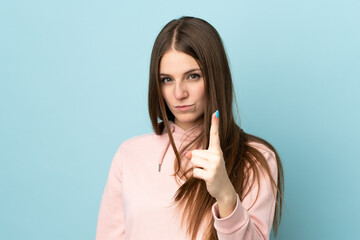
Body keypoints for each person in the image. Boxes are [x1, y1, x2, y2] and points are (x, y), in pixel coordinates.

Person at [96, 16, 284, 240]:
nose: (179, 93)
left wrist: (225, 195)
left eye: (193, 76)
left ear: (215, 76)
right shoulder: (129, 155)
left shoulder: (256, 159)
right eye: (167, 80)